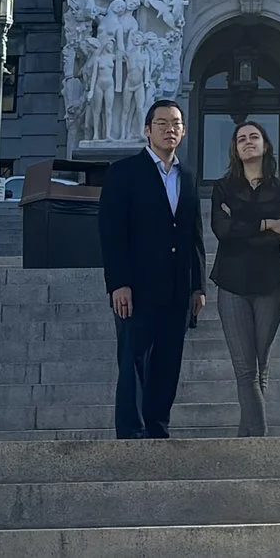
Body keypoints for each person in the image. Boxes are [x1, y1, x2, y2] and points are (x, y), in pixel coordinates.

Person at [99, 98, 207, 439]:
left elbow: (194, 235)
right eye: (162, 123)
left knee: (168, 362)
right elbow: (112, 232)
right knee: (134, 360)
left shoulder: (187, 175)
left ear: (184, 131)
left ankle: (159, 426)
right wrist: (119, 283)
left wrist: (198, 286)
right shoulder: (123, 172)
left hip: (177, 288)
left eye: (176, 123)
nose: (170, 129)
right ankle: (132, 431)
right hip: (137, 288)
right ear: (147, 130)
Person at [209, 119, 280, 437]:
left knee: (260, 368)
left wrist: (244, 221)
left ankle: (246, 441)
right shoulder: (222, 188)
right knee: (246, 369)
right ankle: (261, 442)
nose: (247, 141)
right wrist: (265, 223)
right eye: (241, 138)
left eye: (254, 137)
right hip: (231, 284)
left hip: (270, 284)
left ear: (265, 146)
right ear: (234, 148)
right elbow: (222, 231)